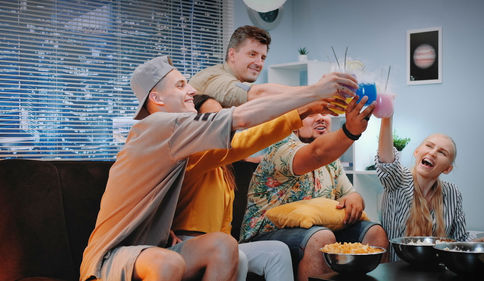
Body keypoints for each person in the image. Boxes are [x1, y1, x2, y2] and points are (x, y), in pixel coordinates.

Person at [80, 55, 360, 281]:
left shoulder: (179, 145)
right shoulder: (155, 127)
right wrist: (311, 93)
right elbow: (241, 118)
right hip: (110, 256)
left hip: (153, 248)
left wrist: (304, 110)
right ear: (157, 98)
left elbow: (238, 145)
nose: (191, 90)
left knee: (224, 247)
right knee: (166, 264)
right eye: (180, 85)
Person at [170, 94, 350, 281]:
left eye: (222, 116)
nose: (222, 124)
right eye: (214, 118)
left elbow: (239, 150)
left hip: (225, 242)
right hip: (192, 243)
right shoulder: (192, 156)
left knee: (276, 252)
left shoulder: (224, 167)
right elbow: (250, 140)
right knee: (236, 257)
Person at [240, 98, 389, 281]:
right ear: (295, 124)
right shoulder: (281, 149)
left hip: (317, 231)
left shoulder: (331, 160)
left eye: (325, 114)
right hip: (265, 236)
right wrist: (350, 131)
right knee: (321, 237)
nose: (321, 118)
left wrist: (355, 200)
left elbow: (349, 193)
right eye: (312, 115)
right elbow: (316, 154)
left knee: (375, 233)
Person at [376, 116, 484, 261]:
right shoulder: (397, 180)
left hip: (437, 272)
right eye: (429, 146)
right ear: (417, 152)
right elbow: (386, 163)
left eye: (442, 152)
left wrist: (482, 242)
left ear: (447, 168)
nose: (433, 152)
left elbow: (458, 240)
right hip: (395, 272)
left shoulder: (452, 193)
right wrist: (387, 118)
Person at [189, 25, 303, 108]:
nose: (259, 63)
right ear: (232, 54)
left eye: (263, 58)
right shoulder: (215, 79)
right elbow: (258, 94)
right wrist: (312, 93)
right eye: (252, 54)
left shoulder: (233, 78)